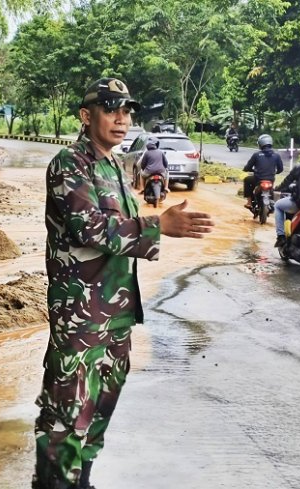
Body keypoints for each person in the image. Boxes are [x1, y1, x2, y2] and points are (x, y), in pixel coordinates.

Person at [33, 77, 214, 489]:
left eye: (127, 110)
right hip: (80, 321)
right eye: (111, 108)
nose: (122, 118)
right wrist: (159, 225)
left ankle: (83, 481)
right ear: (86, 115)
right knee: (64, 420)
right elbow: (90, 228)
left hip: (114, 320)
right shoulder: (69, 164)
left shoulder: (115, 164)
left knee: (97, 414)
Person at [243, 134, 284, 209]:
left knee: (247, 180)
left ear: (260, 144)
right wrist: (275, 172)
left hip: (258, 179)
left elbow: (248, 167)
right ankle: (271, 202)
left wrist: (248, 169)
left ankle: (249, 202)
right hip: (270, 179)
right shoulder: (276, 155)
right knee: (272, 189)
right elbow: (281, 169)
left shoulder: (256, 155)